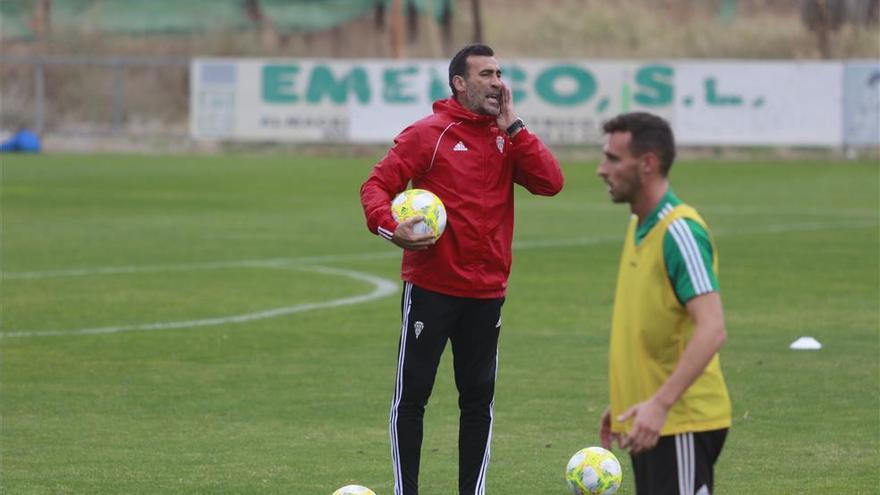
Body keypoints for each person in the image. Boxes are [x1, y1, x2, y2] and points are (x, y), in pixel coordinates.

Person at [360, 43, 564, 495]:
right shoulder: (427, 133)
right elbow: (376, 185)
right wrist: (393, 228)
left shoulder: (506, 138)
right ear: (459, 82)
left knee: (478, 403)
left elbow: (551, 182)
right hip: (432, 288)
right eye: (487, 74)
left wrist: (515, 126)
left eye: (500, 73)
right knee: (411, 398)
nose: (498, 82)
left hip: (487, 290)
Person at [595, 112, 731, 495]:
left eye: (613, 158)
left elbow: (712, 327)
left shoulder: (680, 231)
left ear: (648, 164)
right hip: (651, 421)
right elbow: (649, 328)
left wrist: (660, 404)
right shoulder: (640, 224)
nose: (601, 170)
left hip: (682, 421)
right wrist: (629, 398)